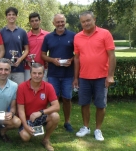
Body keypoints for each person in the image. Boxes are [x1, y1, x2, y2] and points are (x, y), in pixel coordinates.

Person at [73, 11, 116, 141]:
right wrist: (76, 78)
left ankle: (98, 129)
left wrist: (110, 76)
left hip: (101, 76)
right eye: (83, 21)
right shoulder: (77, 37)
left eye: (88, 20)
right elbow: (77, 58)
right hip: (84, 77)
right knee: (84, 103)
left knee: (100, 105)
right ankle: (86, 127)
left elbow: (112, 55)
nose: (86, 23)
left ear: (94, 19)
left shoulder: (105, 33)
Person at [41, 14, 76, 132]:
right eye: (58, 22)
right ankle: (53, 120)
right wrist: (52, 60)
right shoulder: (48, 37)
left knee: (67, 98)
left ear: (65, 22)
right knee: (53, 99)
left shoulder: (73, 35)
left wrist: (71, 60)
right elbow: (43, 55)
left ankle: (67, 122)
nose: (60, 24)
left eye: (62, 22)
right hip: (53, 74)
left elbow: (78, 53)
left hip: (68, 73)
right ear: (53, 23)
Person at [17, 63, 60, 151]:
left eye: (40, 73)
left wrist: (40, 112)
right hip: (26, 119)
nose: (37, 76)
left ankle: (46, 139)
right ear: (30, 74)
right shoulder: (22, 87)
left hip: (40, 116)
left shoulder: (48, 86)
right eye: (34, 73)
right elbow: (20, 110)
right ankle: (28, 130)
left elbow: (56, 106)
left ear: (43, 74)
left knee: (55, 116)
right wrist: (25, 125)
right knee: (25, 138)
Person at [0, 7, 29, 84]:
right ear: (6, 17)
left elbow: (27, 49)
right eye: (9, 14)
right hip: (4, 70)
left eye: (13, 14)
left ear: (16, 16)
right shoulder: (1, 32)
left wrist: (20, 59)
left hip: (18, 68)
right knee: (4, 91)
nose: (11, 16)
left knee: (19, 91)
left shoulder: (22, 32)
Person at [24, 12, 48, 81]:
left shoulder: (47, 35)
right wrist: (26, 59)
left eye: (36, 20)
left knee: (43, 88)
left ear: (40, 21)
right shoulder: (26, 36)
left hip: (43, 67)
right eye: (32, 21)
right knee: (28, 89)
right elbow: (22, 51)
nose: (34, 22)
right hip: (28, 68)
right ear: (30, 23)